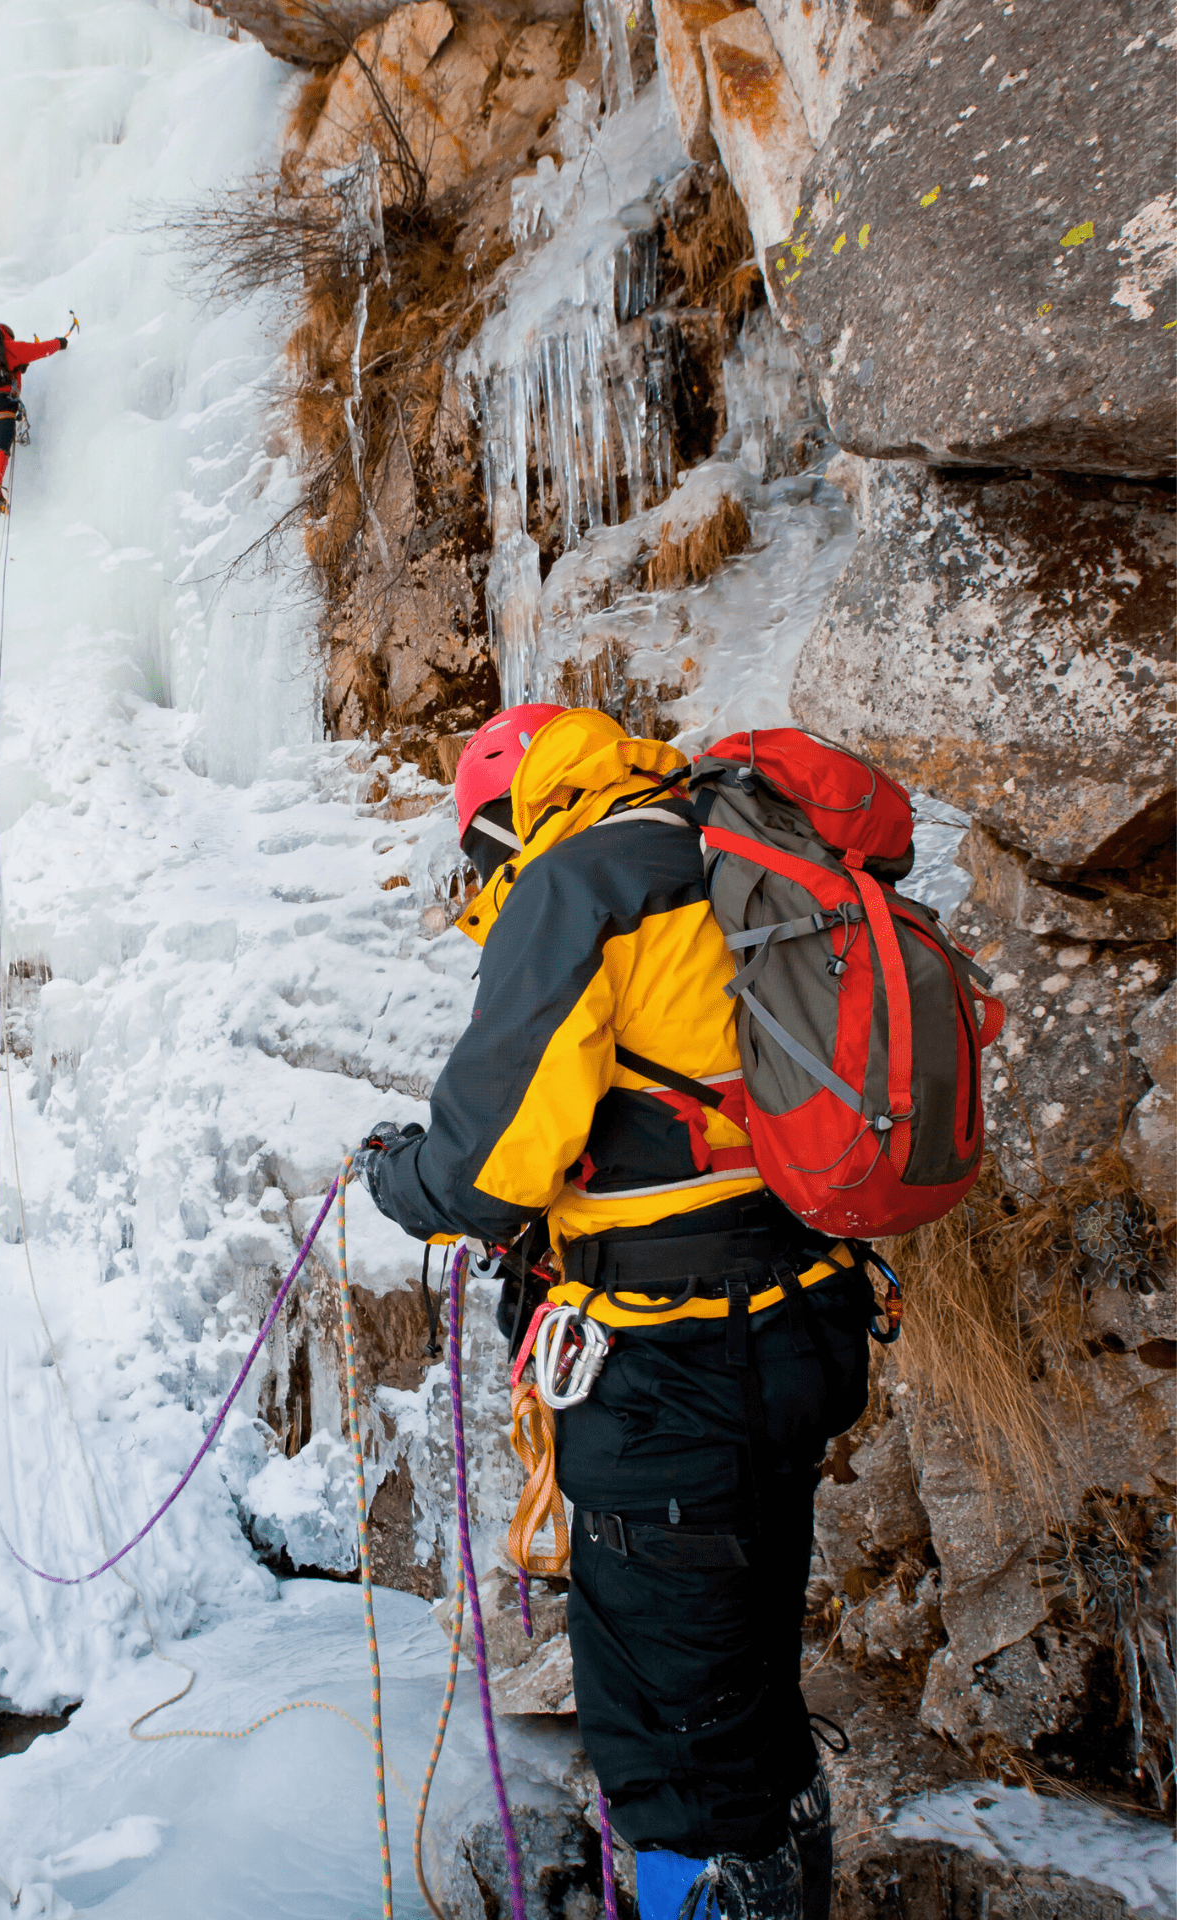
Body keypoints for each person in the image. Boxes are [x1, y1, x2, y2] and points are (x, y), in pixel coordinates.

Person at [355, 704, 872, 1920]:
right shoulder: (722, 845)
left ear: (502, 818)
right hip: (800, 1321)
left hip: (667, 1374)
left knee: (669, 1742)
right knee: (747, 1688)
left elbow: (490, 1169)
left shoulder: (579, 883)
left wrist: (394, 1175)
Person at [0, 321, 67, 513]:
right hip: (1, 402)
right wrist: (60, 343)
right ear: (5, 335)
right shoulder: (9, 348)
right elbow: (39, 349)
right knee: (1, 446)